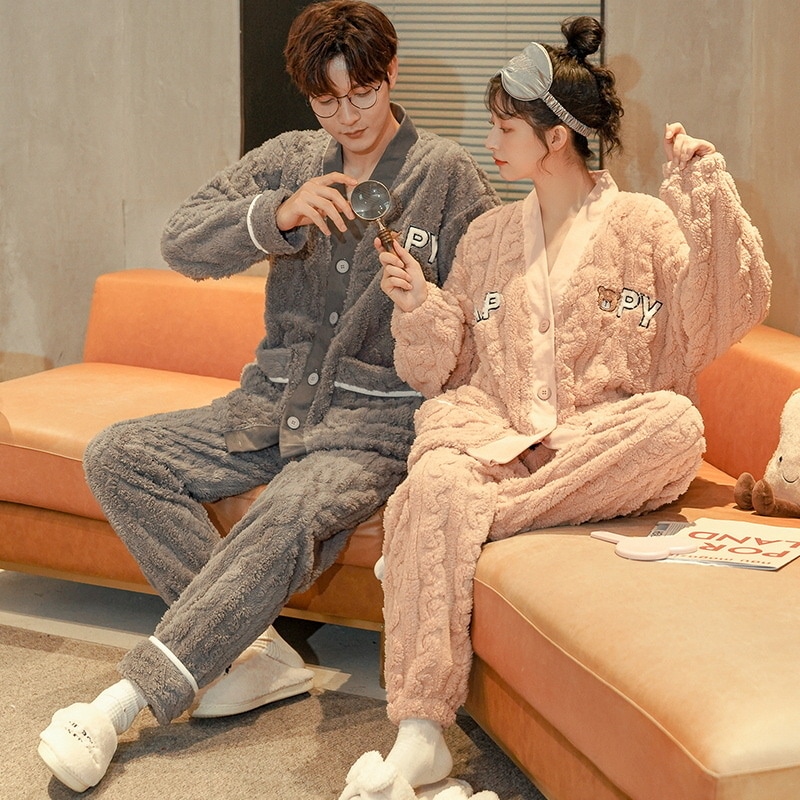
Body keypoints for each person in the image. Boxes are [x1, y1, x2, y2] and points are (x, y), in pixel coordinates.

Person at [36, 1, 498, 792]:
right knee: (120, 455)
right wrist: (273, 216)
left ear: (391, 75)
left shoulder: (446, 176)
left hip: (372, 425)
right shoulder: (290, 159)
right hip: (267, 407)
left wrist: (426, 300)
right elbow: (181, 239)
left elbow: (490, 308)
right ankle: (253, 656)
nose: (349, 116)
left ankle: (121, 704)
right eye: (327, 100)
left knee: (286, 511)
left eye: (364, 92)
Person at [338, 15, 771, 800]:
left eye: (505, 129)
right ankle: (419, 736)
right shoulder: (488, 237)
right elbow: (449, 369)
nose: (490, 143)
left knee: (676, 428)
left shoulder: (643, 225)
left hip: (599, 445)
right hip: (500, 438)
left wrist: (705, 194)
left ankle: (455, 520)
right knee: (437, 473)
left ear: (557, 137)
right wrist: (418, 303)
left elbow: (714, 316)